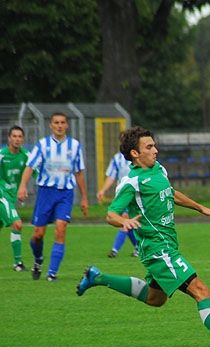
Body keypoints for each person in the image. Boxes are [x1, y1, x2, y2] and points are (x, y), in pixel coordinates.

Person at [76, 126, 210, 347]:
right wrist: (124, 221)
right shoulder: (131, 182)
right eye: (149, 147)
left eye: (154, 145)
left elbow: (171, 193)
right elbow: (111, 214)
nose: (156, 150)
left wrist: (200, 208)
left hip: (167, 244)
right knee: (201, 290)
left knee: (155, 298)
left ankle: (98, 278)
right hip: (157, 249)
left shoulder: (158, 169)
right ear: (135, 153)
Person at [17, 112, 88, 281]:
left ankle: (52, 273)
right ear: (51, 125)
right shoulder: (43, 145)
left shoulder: (74, 146)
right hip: (46, 193)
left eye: (62, 122)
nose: (59, 125)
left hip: (65, 193)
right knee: (38, 234)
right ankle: (38, 260)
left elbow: (78, 173)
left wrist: (84, 197)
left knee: (61, 228)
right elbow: (30, 167)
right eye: (56, 122)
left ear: (67, 125)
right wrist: (22, 186)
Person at [97, 151, 139, 258]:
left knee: (126, 221)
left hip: (137, 195)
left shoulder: (140, 155)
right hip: (123, 196)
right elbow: (111, 177)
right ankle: (137, 247)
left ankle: (115, 250)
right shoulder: (117, 158)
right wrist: (103, 190)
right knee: (126, 221)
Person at [0, 126, 29, 270]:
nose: (17, 139)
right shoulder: (1, 155)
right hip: (2, 195)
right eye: (14, 136)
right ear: (9, 138)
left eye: (20, 136)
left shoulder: (26, 155)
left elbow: (35, 172)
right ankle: (18, 263)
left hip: (11, 196)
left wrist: (23, 188)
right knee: (17, 224)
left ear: (23, 139)